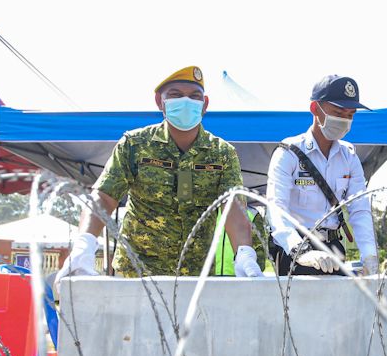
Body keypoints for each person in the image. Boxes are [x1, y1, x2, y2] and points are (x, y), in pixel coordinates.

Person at [55, 66, 263, 283]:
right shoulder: (135, 144)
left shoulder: (222, 153)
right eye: (175, 95)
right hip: (137, 272)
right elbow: (104, 196)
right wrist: (85, 244)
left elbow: (234, 208)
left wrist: (244, 254)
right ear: (159, 101)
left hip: (195, 275)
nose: (186, 102)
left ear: (205, 104)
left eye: (194, 96)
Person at [266, 75, 379, 276]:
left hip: (334, 249)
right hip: (295, 252)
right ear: (315, 109)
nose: (344, 120)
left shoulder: (349, 157)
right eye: (338, 112)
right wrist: (301, 251)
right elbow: (276, 210)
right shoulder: (288, 153)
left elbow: (359, 210)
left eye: (350, 115)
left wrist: (369, 256)